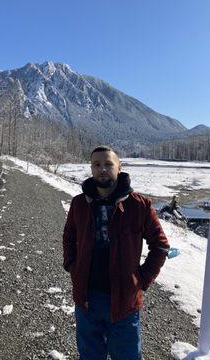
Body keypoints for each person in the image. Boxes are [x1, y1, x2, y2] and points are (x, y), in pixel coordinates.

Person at [62, 145, 170, 360]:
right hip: (86, 298)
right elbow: (68, 237)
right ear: (91, 169)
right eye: (97, 164)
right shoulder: (79, 204)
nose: (102, 169)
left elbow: (160, 246)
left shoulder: (140, 205)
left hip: (124, 300)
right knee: (90, 355)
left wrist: (140, 280)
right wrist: (72, 267)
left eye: (108, 164)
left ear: (119, 168)